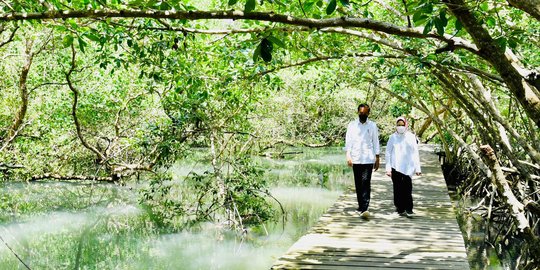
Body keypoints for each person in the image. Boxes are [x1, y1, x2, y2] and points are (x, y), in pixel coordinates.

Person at [345, 103, 380, 219]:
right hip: (356, 158)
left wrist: (377, 157)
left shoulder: (372, 126)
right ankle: (361, 205)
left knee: (366, 182)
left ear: (368, 113)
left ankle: (365, 207)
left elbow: (375, 142)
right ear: (358, 113)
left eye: (365, 113)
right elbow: (348, 142)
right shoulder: (352, 125)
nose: (362, 115)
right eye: (361, 113)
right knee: (358, 183)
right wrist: (348, 156)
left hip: (368, 158)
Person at [385, 116, 422, 217]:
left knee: (407, 188)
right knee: (397, 188)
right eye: (398, 125)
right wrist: (388, 168)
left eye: (402, 125)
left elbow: (415, 153)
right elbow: (388, 153)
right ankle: (400, 209)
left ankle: (409, 209)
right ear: (396, 126)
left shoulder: (411, 137)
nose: (400, 127)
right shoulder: (392, 137)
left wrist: (418, 168)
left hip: (408, 167)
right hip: (395, 166)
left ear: (406, 125)